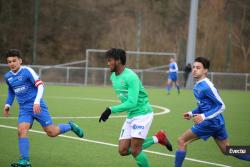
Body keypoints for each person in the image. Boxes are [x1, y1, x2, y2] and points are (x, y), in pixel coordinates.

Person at [3, 49, 84, 167]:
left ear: (20, 61)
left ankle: (70, 126)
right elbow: (11, 91)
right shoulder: (8, 76)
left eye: (14, 61)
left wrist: (36, 102)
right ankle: (25, 161)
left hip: (38, 106)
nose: (12, 64)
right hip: (24, 109)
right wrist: (8, 105)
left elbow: (41, 86)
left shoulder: (27, 71)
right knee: (21, 131)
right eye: (9, 62)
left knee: (52, 132)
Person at [99, 48, 172, 167]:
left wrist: (110, 110)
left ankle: (158, 138)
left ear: (118, 61)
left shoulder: (131, 77)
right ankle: (158, 138)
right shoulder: (113, 77)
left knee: (135, 150)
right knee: (122, 150)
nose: (108, 63)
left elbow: (132, 103)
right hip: (131, 115)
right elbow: (125, 100)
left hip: (143, 114)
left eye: (110, 60)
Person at [174, 57, 250, 167]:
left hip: (209, 123)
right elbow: (204, 106)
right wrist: (191, 113)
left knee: (182, 141)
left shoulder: (207, 86)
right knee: (226, 150)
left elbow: (221, 106)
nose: (194, 69)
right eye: (194, 67)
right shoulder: (198, 85)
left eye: (198, 68)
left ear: (205, 71)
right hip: (217, 122)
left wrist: (203, 117)